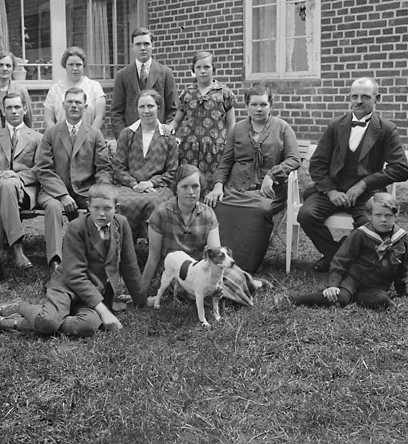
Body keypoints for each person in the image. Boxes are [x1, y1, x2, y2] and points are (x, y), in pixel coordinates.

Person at [0, 183, 147, 336]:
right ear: (88, 206)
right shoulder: (77, 227)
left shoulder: (121, 224)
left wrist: (141, 301)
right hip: (67, 287)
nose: (102, 213)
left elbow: (130, 266)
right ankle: (18, 308)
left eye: (107, 208)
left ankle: (50, 318)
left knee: (88, 325)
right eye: (96, 208)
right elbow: (75, 275)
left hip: (94, 293)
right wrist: (103, 311)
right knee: (47, 322)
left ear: (116, 208)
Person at [297, 77, 408, 272]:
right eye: (354, 96)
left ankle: (342, 258)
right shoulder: (335, 125)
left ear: (377, 98)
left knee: (370, 225)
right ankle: (336, 256)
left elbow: (401, 168)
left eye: (365, 97)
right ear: (349, 98)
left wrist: (364, 184)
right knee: (307, 215)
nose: (359, 101)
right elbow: (317, 163)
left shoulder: (386, 129)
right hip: (335, 190)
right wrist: (331, 191)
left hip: (367, 195)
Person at [204, 84, 300, 272]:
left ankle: (246, 266)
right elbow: (225, 162)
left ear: (270, 105)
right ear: (247, 105)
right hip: (236, 188)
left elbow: (294, 158)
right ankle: (219, 261)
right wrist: (218, 186)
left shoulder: (282, 128)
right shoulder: (237, 129)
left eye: (263, 104)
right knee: (217, 205)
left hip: (268, 191)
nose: (258, 109)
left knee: (259, 210)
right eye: (254, 104)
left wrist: (272, 174)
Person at [142, 164, 265, 307]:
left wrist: (217, 282)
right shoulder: (160, 214)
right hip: (179, 271)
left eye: (195, 186)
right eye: (184, 187)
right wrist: (141, 294)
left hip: (203, 266)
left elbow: (216, 255)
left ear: (201, 187)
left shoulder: (208, 214)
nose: (191, 192)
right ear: (176, 188)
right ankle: (243, 290)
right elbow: (153, 257)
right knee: (199, 291)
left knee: (234, 277)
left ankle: (250, 284)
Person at [276, 192, 408, 310]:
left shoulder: (400, 237)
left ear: (396, 215)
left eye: (388, 215)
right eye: (378, 215)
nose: (383, 220)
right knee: (340, 298)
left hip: (376, 286)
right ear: (369, 215)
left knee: (383, 301)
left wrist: (402, 292)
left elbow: (402, 268)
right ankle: (294, 299)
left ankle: (355, 297)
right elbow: (341, 260)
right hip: (352, 279)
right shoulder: (360, 234)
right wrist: (333, 285)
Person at [35, 87, 112, 269]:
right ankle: (55, 261)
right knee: (53, 207)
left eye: (78, 102)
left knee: (100, 204)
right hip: (53, 191)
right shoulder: (51, 133)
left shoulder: (94, 134)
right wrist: (62, 195)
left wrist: (100, 191)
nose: (74, 106)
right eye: (70, 102)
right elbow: (44, 169)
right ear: (63, 105)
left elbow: (103, 168)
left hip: (85, 190)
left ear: (85, 107)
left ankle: (97, 255)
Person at [0, 93, 43, 285]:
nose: (13, 111)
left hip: (24, 190)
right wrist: (4, 176)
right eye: (9, 108)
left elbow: (41, 168)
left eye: (17, 107)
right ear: (3, 112)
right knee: (3, 187)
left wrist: (17, 177)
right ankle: (16, 246)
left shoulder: (37, 138)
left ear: (25, 109)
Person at [113, 89, 179, 241]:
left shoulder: (167, 136)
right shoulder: (127, 134)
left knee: (154, 202)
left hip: (159, 187)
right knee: (119, 202)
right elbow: (119, 166)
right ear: (136, 109)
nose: (146, 111)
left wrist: (151, 183)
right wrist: (134, 184)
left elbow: (172, 171)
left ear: (158, 108)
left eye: (150, 106)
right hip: (130, 186)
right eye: (142, 107)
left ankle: (152, 247)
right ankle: (124, 245)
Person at [169, 51, 236, 190]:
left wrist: (229, 146)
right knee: (191, 183)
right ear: (193, 70)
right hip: (190, 149)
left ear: (213, 68)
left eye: (206, 67)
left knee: (214, 185)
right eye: (198, 67)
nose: (203, 71)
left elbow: (231, 124)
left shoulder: (223, 92)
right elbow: (176, 121)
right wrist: (169, 129)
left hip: (215, 149)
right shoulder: (187, 93)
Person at [111, 27, 177, 136]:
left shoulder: (165, 73)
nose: (142, 48)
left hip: (159, 137)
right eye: (138, 44)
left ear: (153, 45)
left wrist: (165, 133)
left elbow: (173, 109)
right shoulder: (122, 75)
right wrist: (124, 137)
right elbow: (116, 112)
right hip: (132, 138)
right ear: (132, 47)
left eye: (146, 44)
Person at [43, 46, 106, 130]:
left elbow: (100, 117)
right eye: (71, 65)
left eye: (78, 65)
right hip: (60, 137)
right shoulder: (54, 90)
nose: (75, 68)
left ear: (84, 65)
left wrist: (90, 135)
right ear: (65, 65)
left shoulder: (95, 87)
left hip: (89, 136)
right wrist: (57, 136)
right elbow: (48, 120)